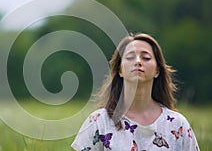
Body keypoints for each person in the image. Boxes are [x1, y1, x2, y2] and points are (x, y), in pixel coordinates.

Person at [71, 33, 200, 151]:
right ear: (120, 70)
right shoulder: (99, 122)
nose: (138, 61)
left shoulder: (177, 124)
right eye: (130, 57)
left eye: (146, 58)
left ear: (157, 71)